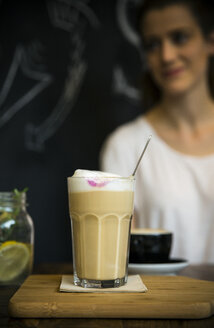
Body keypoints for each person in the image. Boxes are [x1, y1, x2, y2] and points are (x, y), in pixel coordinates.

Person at [100, 0, 214, 263]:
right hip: (157, 302)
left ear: (210, 41)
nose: (166, 56)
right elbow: (116, 259)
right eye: (153, 44)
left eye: (180, 37)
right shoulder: (124, 146)